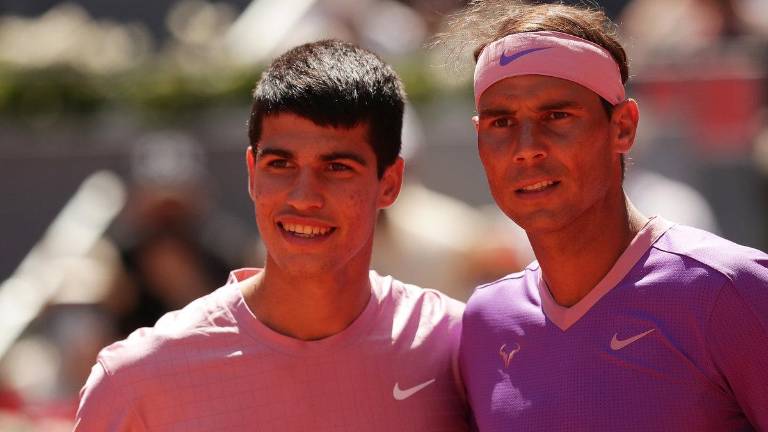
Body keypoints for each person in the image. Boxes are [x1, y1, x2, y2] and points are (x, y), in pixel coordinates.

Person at [74, 40, 469, 431]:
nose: (304, 197)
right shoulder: (134, 380)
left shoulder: (459, 348)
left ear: (390, 182)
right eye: (280, 164)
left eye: (337, 167)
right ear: (252, 172)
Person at [436, 1, 768, 430]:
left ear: (623, 127)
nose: (527, 147)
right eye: (501, 123)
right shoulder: (485, 321)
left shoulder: (730, 289)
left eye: (556, 116)